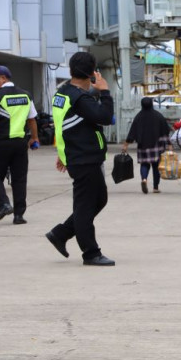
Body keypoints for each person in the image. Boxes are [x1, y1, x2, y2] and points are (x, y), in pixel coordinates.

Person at [46, 52, 116, 267]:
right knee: (85, 206)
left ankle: (61, 233)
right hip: (84, 158)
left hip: (77, 156)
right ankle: (91, 253)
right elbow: (104, 117)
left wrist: (63, 153)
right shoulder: (80, 99)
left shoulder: (63, 93)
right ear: (92, 73)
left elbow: (61, 125)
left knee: (98, 200)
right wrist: (105, 92)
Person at [0, 64, 39, 224]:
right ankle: (19, 215)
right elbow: (32, 119)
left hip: (2, 142)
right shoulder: (26, 95)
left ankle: (4, 204)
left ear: (4, 78)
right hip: (20, 143)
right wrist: (35, 138)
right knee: (19, 178)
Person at [122, 97, 171, 194]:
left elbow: (132, 132)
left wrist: (126, 144)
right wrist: (169, 144)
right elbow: (166, 130)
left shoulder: (138, 117)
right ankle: (155, 187)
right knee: (156, 166)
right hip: (157, 145)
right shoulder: (158, 116)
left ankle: (144, 179)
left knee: (144, 164)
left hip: (143, 145)